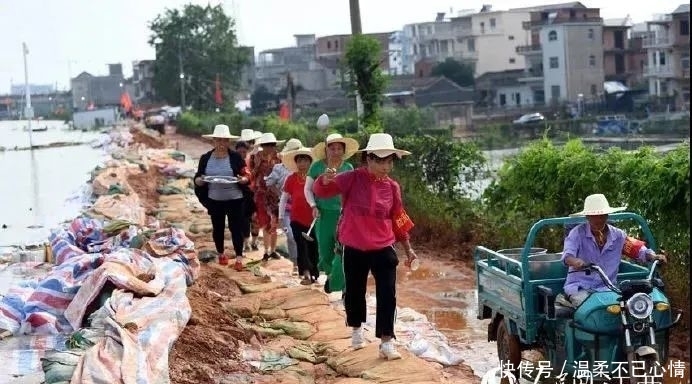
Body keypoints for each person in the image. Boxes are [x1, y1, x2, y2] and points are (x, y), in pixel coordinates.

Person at [313, 133, 418, 360]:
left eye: (389, 161)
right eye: (380, 160)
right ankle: (357, 329)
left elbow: (398, 218)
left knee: (388, 293)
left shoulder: (392, 188)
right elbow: (322, 191)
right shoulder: (351, 177)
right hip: (354, 244)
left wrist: (408, 248)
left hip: (383, 245)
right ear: (368, 159)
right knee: (354, 290)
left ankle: (386, 341)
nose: (385, 166)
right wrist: (325, 179)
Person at [557, 194, 667, 308]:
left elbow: (638, 250)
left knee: (627, 308)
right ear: (587, 217)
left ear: (607, 216)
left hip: (608, 289)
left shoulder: (618, 235)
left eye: (601, 216)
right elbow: (567, 256)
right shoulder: (577, 233)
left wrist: (653, 256)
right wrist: (577, 262)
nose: (598, 220)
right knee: (591, 309)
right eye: (594, 216)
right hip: (580, 287)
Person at [304, 132, 359, 292]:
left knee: (343, 249)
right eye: (332, 148)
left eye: (339, 148)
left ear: (343, 150)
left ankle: (342, 286)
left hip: (343, 215)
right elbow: (307, 189)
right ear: (326, 150)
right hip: (323, 214)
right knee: (326, 249)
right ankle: (330, 275)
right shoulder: (317, 167)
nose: (335, 151)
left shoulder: (348, 168)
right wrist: (313, 205)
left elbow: (352, 191)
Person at [193, 124, 251, 271]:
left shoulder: (236, 157)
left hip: (235, 199)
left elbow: (246, 174)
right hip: (215, 200)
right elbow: (199, 177)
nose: (221, 143)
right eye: (218, 140)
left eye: (224, 140)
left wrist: (243, 179)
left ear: (228, 142)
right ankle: (221, 254)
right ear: (213, 141)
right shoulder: (206, 158)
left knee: (235, 228)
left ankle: (239, 257)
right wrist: (199, 181)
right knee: (217, 228)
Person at [279, 146, 319, 285]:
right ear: (296, 163)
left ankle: (314, 274)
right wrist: (280, 216)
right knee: (301, 245)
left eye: (305, 160)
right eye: (299, 161)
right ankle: (306, 274)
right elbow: (284, 198)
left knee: (313, 247)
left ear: (310, 162)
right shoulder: (291, 179)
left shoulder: (315, 178)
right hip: (296, 218)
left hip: (314, 219)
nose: (302, 164)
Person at [266, 138, 303, 267]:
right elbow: (269, 183)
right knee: (291, 236)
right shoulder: (279, 168)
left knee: (304, 237)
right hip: (286, 209)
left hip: (303, 208)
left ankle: (305, 263)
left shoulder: (305, 167)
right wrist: (281, 195)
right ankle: (295, 263)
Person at [250, 132, 285, 261]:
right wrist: (258, 165)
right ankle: (266, 251)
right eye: (267, 145)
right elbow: (252, 176)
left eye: (272, 145)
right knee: (265, 222)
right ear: (262, 146)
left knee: (274, 222)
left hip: (275, 194)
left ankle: (273, 250)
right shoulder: (255, 157)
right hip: (261, 194)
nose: (270, 147)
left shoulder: (279, 158)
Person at [240, 129, 262, 251]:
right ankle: (246, 242)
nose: (249, 144)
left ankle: (254, 242)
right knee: (245, 218)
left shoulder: (257, 156)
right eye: (247, 141)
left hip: (256, 191)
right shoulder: (241, 156)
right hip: (244, 191)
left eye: (251, 141)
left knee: (255, 218)